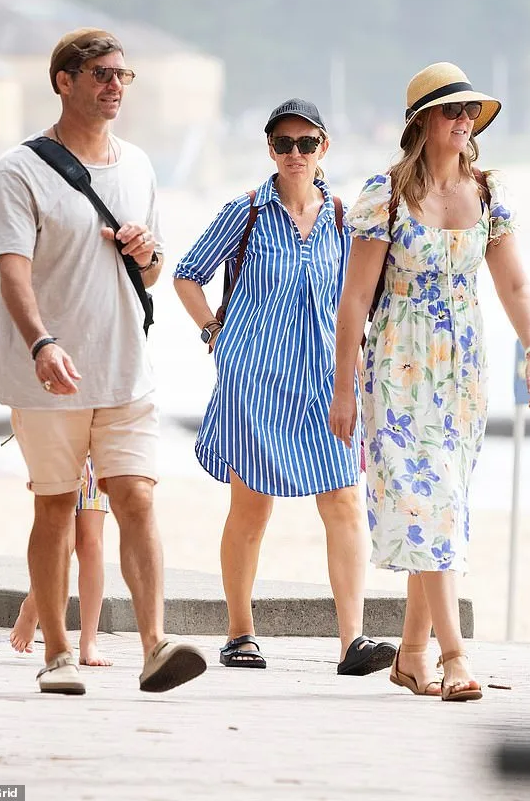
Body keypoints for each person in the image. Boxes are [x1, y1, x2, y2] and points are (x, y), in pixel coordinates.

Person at [0, 27, 206, 695]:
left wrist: (146, 253)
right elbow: (12, 274)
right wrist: (42, 342)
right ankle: (57, 654)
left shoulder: (137, 166)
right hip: (47, 375)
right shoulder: (18, 170)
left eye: (122, 76)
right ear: (64, 82)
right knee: (54, 509)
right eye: (102, 74)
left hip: (126, 370)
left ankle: (154, 644)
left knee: (136, 497)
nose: (115, 86)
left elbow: (158, 270)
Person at [330, 62, 530, 701]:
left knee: (444, 504)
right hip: (398, 363)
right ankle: (454, 658)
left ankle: (411, 655)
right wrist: (343, 387)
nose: (463, 121)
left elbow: (514, 282)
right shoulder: (386, 195)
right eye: (452, 111)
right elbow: (355, 299)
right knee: (431, 506)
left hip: (463, 368)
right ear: (423, 120)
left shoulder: (487, 192)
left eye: (469, 112)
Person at [173, 99, 396, 675]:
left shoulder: (348, 218)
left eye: (306, 143)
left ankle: (353, 641)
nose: (295, 153)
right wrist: (215, 335)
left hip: (329, 380)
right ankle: (239, 631)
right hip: (256, 378)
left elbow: (366, 294)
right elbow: (186, 274)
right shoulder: (245, 212)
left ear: (325, 149)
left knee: (345, 500)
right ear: (269, 149)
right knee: (252, 506)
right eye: (283, 143)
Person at [10, 455, 113, 668]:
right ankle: (32, 606)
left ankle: (89, 641)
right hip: (61, 443)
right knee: (63, 540)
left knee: (91, 544)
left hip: (98, 448)